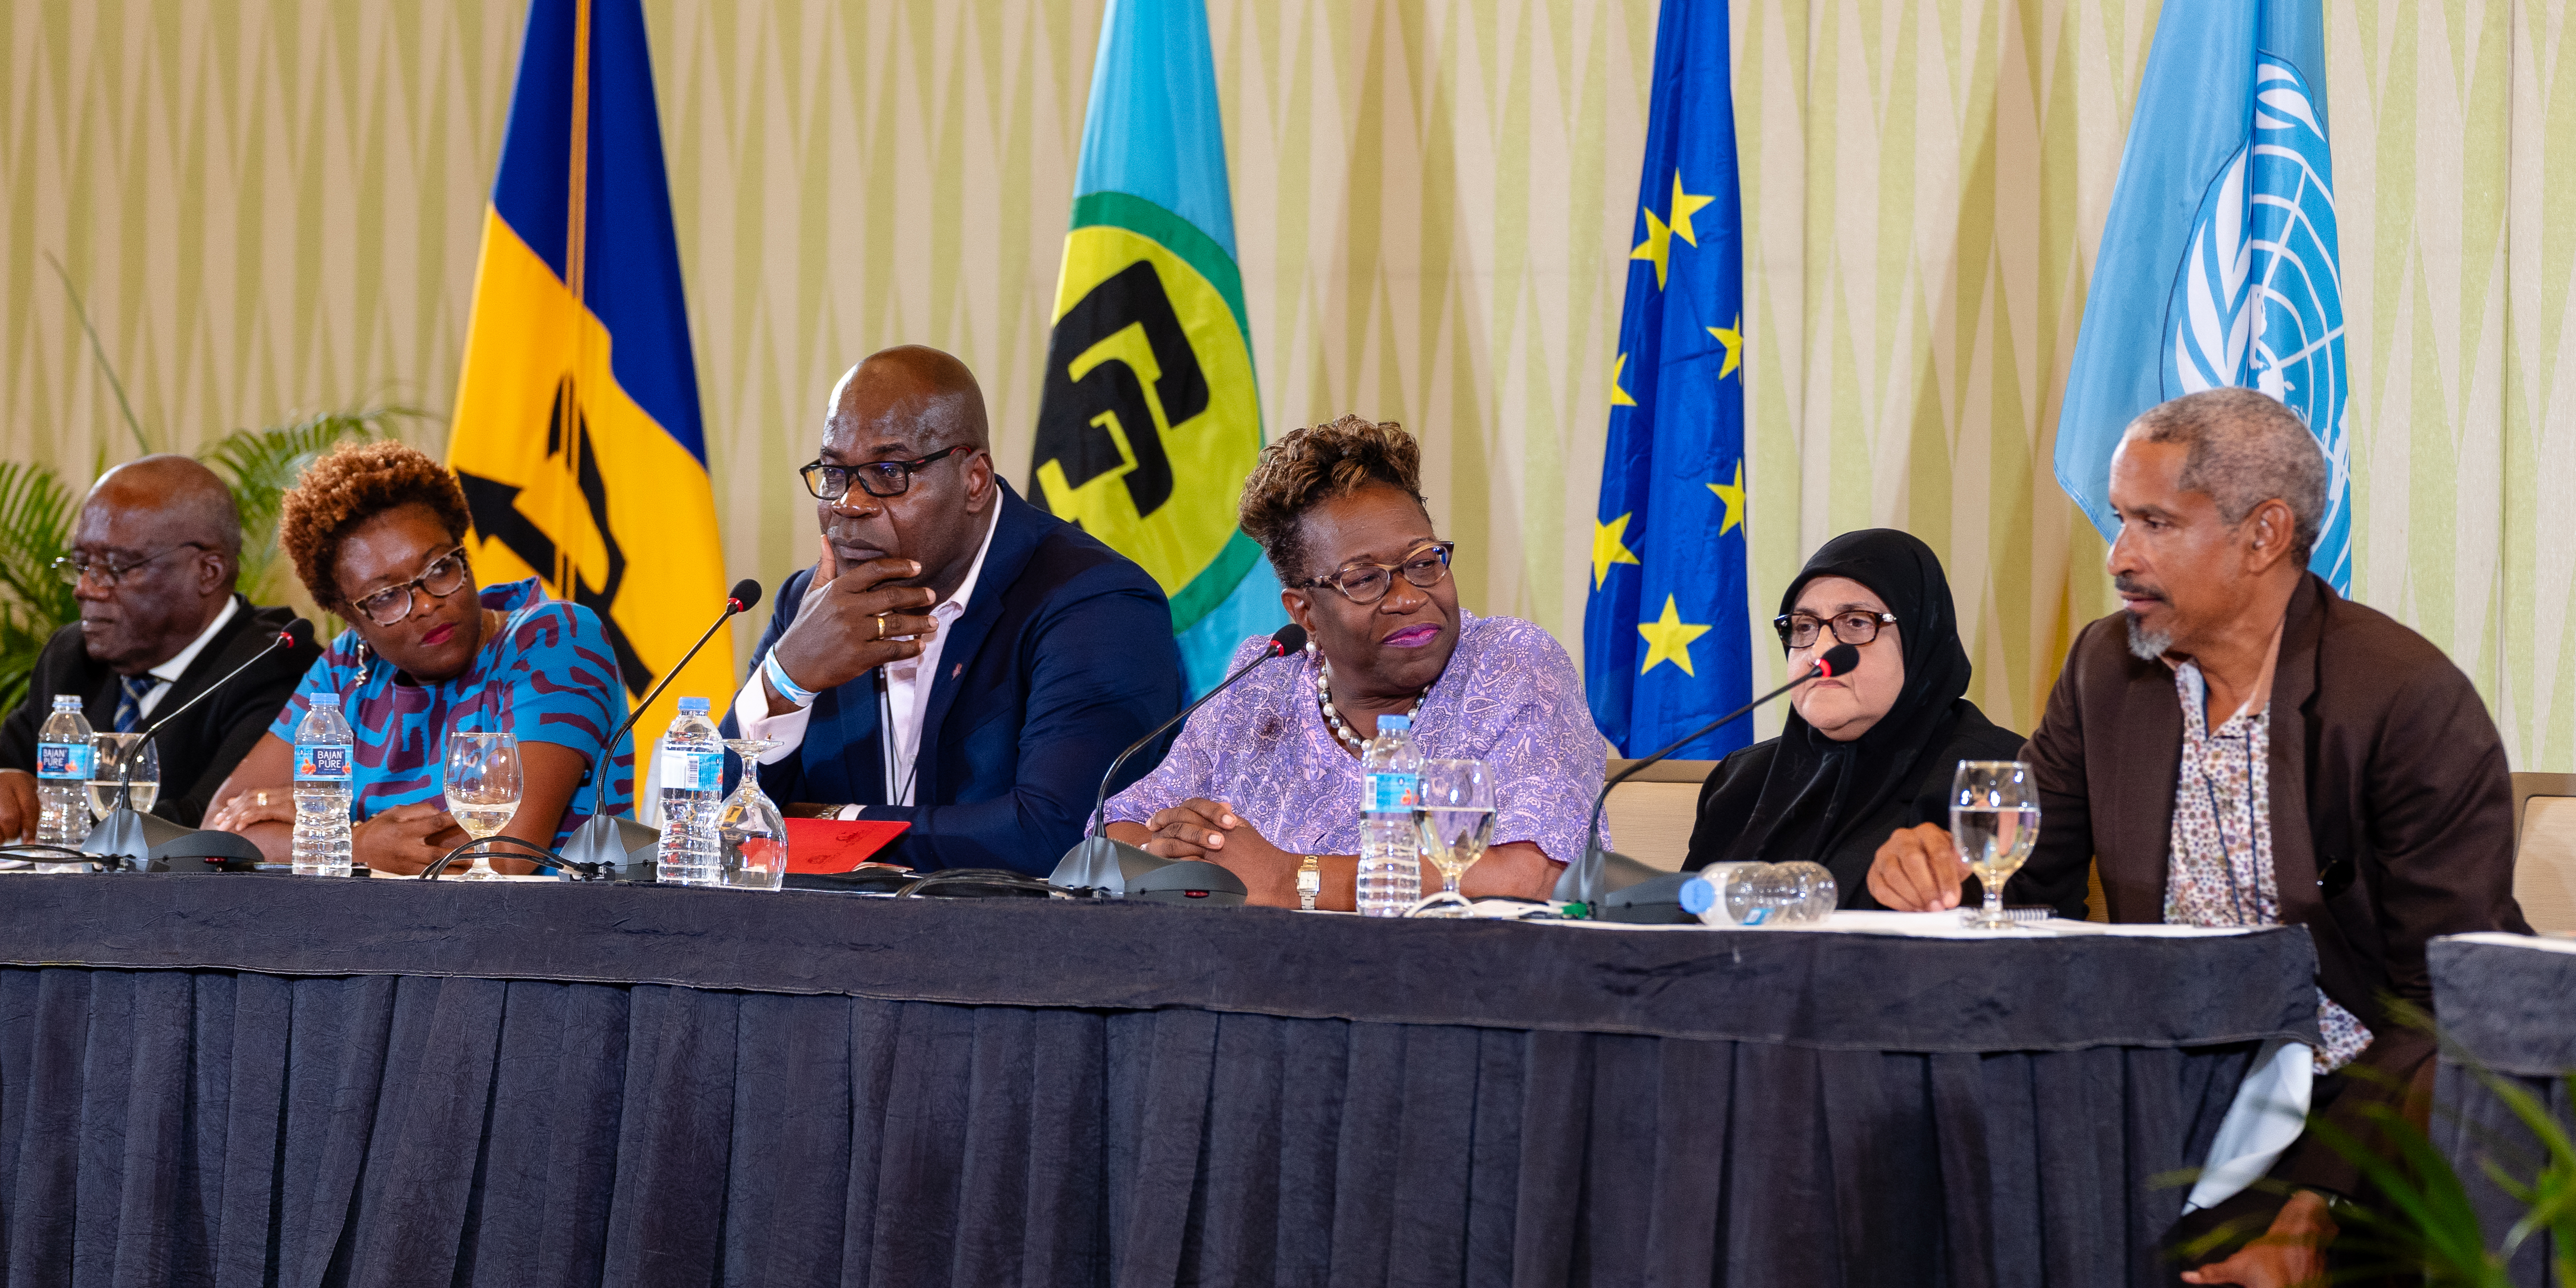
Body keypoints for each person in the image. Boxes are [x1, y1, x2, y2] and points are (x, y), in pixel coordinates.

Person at [1868, 388, 2525, 1288]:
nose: (2119, 554)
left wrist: (2318, 1197)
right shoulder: (2105, 671)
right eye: (2119, 521)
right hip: (2175, 1105)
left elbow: (2449, 996)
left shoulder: (2401, 697)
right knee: (1961, 1245)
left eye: (2153, 524)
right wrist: (1934, 862)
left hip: (2379, 1117)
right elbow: (2021, 876)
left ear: (2264, 533)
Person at [1107, 415, 1608, 909]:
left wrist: (1289, 878)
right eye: (1365, 579)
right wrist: (1178, 855)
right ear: (1304, 612)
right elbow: (1116, 828)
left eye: (1424, 561)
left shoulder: (1510, 666)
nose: (1410, 598)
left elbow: (1532, 875)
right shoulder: (1261, 685)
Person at [734, 345, 1182, 874]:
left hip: (1019, 951)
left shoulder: (1094, 604)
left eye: (887, 471)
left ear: (974, 479)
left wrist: (837, 825)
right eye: (834, 473)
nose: (849, 504)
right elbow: (716, 829)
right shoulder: (810, 606)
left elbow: (1057, 835)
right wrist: (787, 678)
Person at [204, 441, 627, 873]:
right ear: (350, 616)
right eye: (386, 596)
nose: (426, 604)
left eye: (441, 568)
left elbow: (503, 855)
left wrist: (329, 830)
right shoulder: (346, 667)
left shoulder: (554, 638)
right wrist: (359, 843)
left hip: (543, 932)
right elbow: (218, 835)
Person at [0, 457, 319, 849]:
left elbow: (207, 828)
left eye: (116, 567)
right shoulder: (72, 657)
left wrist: (4, 829)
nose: (85, 589)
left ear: (207, 571)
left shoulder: (276, 664)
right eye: (81, 565)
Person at [1683, 528, 2023, 906]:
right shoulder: (1741, 781)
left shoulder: (1994, 774)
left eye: (1857, 623)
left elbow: (2031, 931)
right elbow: (1677, 927)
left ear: (1920, 638)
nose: (1821, 652)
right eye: (1804, 627)